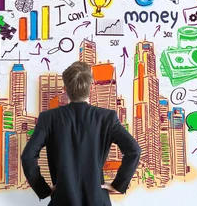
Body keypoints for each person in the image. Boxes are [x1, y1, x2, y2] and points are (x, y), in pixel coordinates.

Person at [21, 61, 142, 205]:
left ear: (65, 89)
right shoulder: (107, 118)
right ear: (90, 88)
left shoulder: (49, 118)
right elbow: (134, 150)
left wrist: (44, 190)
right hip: (97, 199)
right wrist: (118, 185)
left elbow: (28, 156)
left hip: (62, 200)